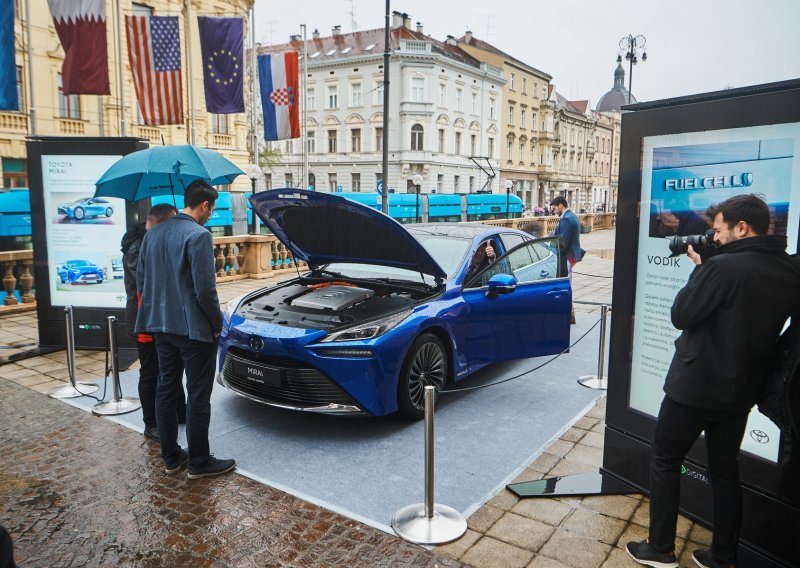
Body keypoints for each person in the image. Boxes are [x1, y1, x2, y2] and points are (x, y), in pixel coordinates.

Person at [626, 194, 800, 568]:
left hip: (694, 387)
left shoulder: (722, 268)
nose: (714, 238)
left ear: (742, 227)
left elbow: (681, 314)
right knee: (725, 470)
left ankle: (659, 548)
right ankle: (722, 557)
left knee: (667, 459)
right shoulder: (788, 269)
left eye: (719, 230)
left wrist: (701, 267)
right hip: (740, 392)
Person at [136, 180, 235, 479]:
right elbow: (205, 291)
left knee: (166, 388)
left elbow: (142, 280)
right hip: (194, 331)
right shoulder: (199, 235)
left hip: (161, 327)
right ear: (204, 206)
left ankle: (171, 457)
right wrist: (217, 325)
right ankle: (199, 462)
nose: (210, 215)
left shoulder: (153, 234)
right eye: (211, 209)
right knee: (197, 395)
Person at [121, 203, 186, 443]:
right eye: (170, 224)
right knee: (150, 372)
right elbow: (148, 282)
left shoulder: (149, 240)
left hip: (157, 317)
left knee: (171, 366)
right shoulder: (138, 248)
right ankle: (151, 423)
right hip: (144, 320)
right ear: (159, 223)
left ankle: (180, 410)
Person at [550, 196, 585, 324]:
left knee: (565, 287)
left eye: (554, 206)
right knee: (567, 285)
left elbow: (561, 241)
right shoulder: (572, 216)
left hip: (566, 258)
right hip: (571, 256)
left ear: (560, 205)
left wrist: (550, 248)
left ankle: (569, 316)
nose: (553, 209)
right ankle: (570, 315)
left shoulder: (566, 219)